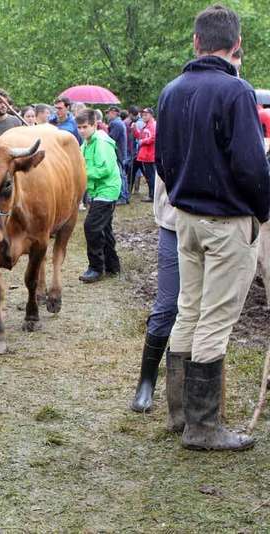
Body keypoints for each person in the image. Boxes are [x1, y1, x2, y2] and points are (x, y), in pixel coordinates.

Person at [156, 4, 270, 451]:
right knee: (215, 319)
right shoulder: (236, 92)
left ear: (196, 42)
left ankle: (181, 414)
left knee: (189, 309)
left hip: (185, 220)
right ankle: (203, 427)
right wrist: (263, 210)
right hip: (226, 222)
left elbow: (162, 162)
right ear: (236, 45)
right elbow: (250, 166)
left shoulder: (171, 91)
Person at [76, 109, 122, 283]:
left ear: (94, 124)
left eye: (85, 127)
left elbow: (105, 169)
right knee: (105, 228)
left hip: (107, 190)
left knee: (91, 226)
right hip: (97, 190)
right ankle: (112, 266)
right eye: (79, 127)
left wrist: (81, 174)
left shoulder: (101, 142)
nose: (81, 131)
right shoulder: (86, 143)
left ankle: (96, 268)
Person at [106, 106, 129, 204]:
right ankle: (124, 195)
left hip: (118, 153)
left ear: (114, 113)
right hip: (120, 152)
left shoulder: (116, 123)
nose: (107, 115)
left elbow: (111, 138)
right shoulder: (119, 123)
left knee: (120, 175)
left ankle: (123, 196)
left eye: (109, 113)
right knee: (121, 174)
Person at [134, 108, 157, 201]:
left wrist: (142, 141)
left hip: (149, 155)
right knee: (149, 175)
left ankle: (152, 196)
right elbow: (139, 136)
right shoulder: (146, 126)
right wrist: (135, 129)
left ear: (151, 115)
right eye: (143, 115)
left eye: (146, 114)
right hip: (146, 155)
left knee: (151, 175)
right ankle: (152, 194)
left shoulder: (153, 125)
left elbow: (153, 138)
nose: (143, 116)